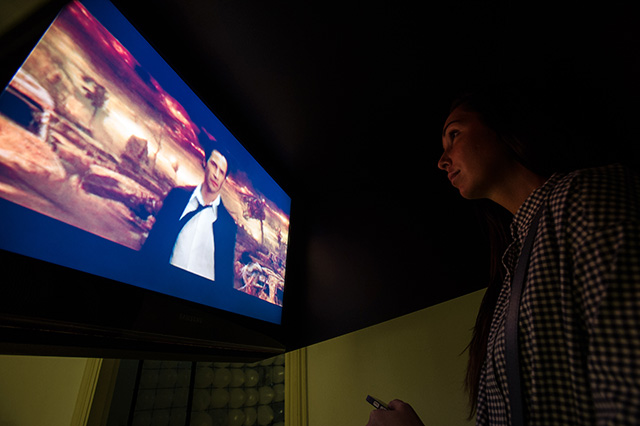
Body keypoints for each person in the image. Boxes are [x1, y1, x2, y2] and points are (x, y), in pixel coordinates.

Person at [367, 86, 640, 425]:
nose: (442, 160)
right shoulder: (512, 264)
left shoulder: (583, 198)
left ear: (503, 127)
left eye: (454, 134)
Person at [142, 147, 238, 285]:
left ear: (224, 178)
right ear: (205, 162)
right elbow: (153, 243)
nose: (216, 175)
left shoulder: (228, 226)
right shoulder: (177, 197)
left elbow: (225, 280)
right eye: (214, 165)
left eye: (221, 172)